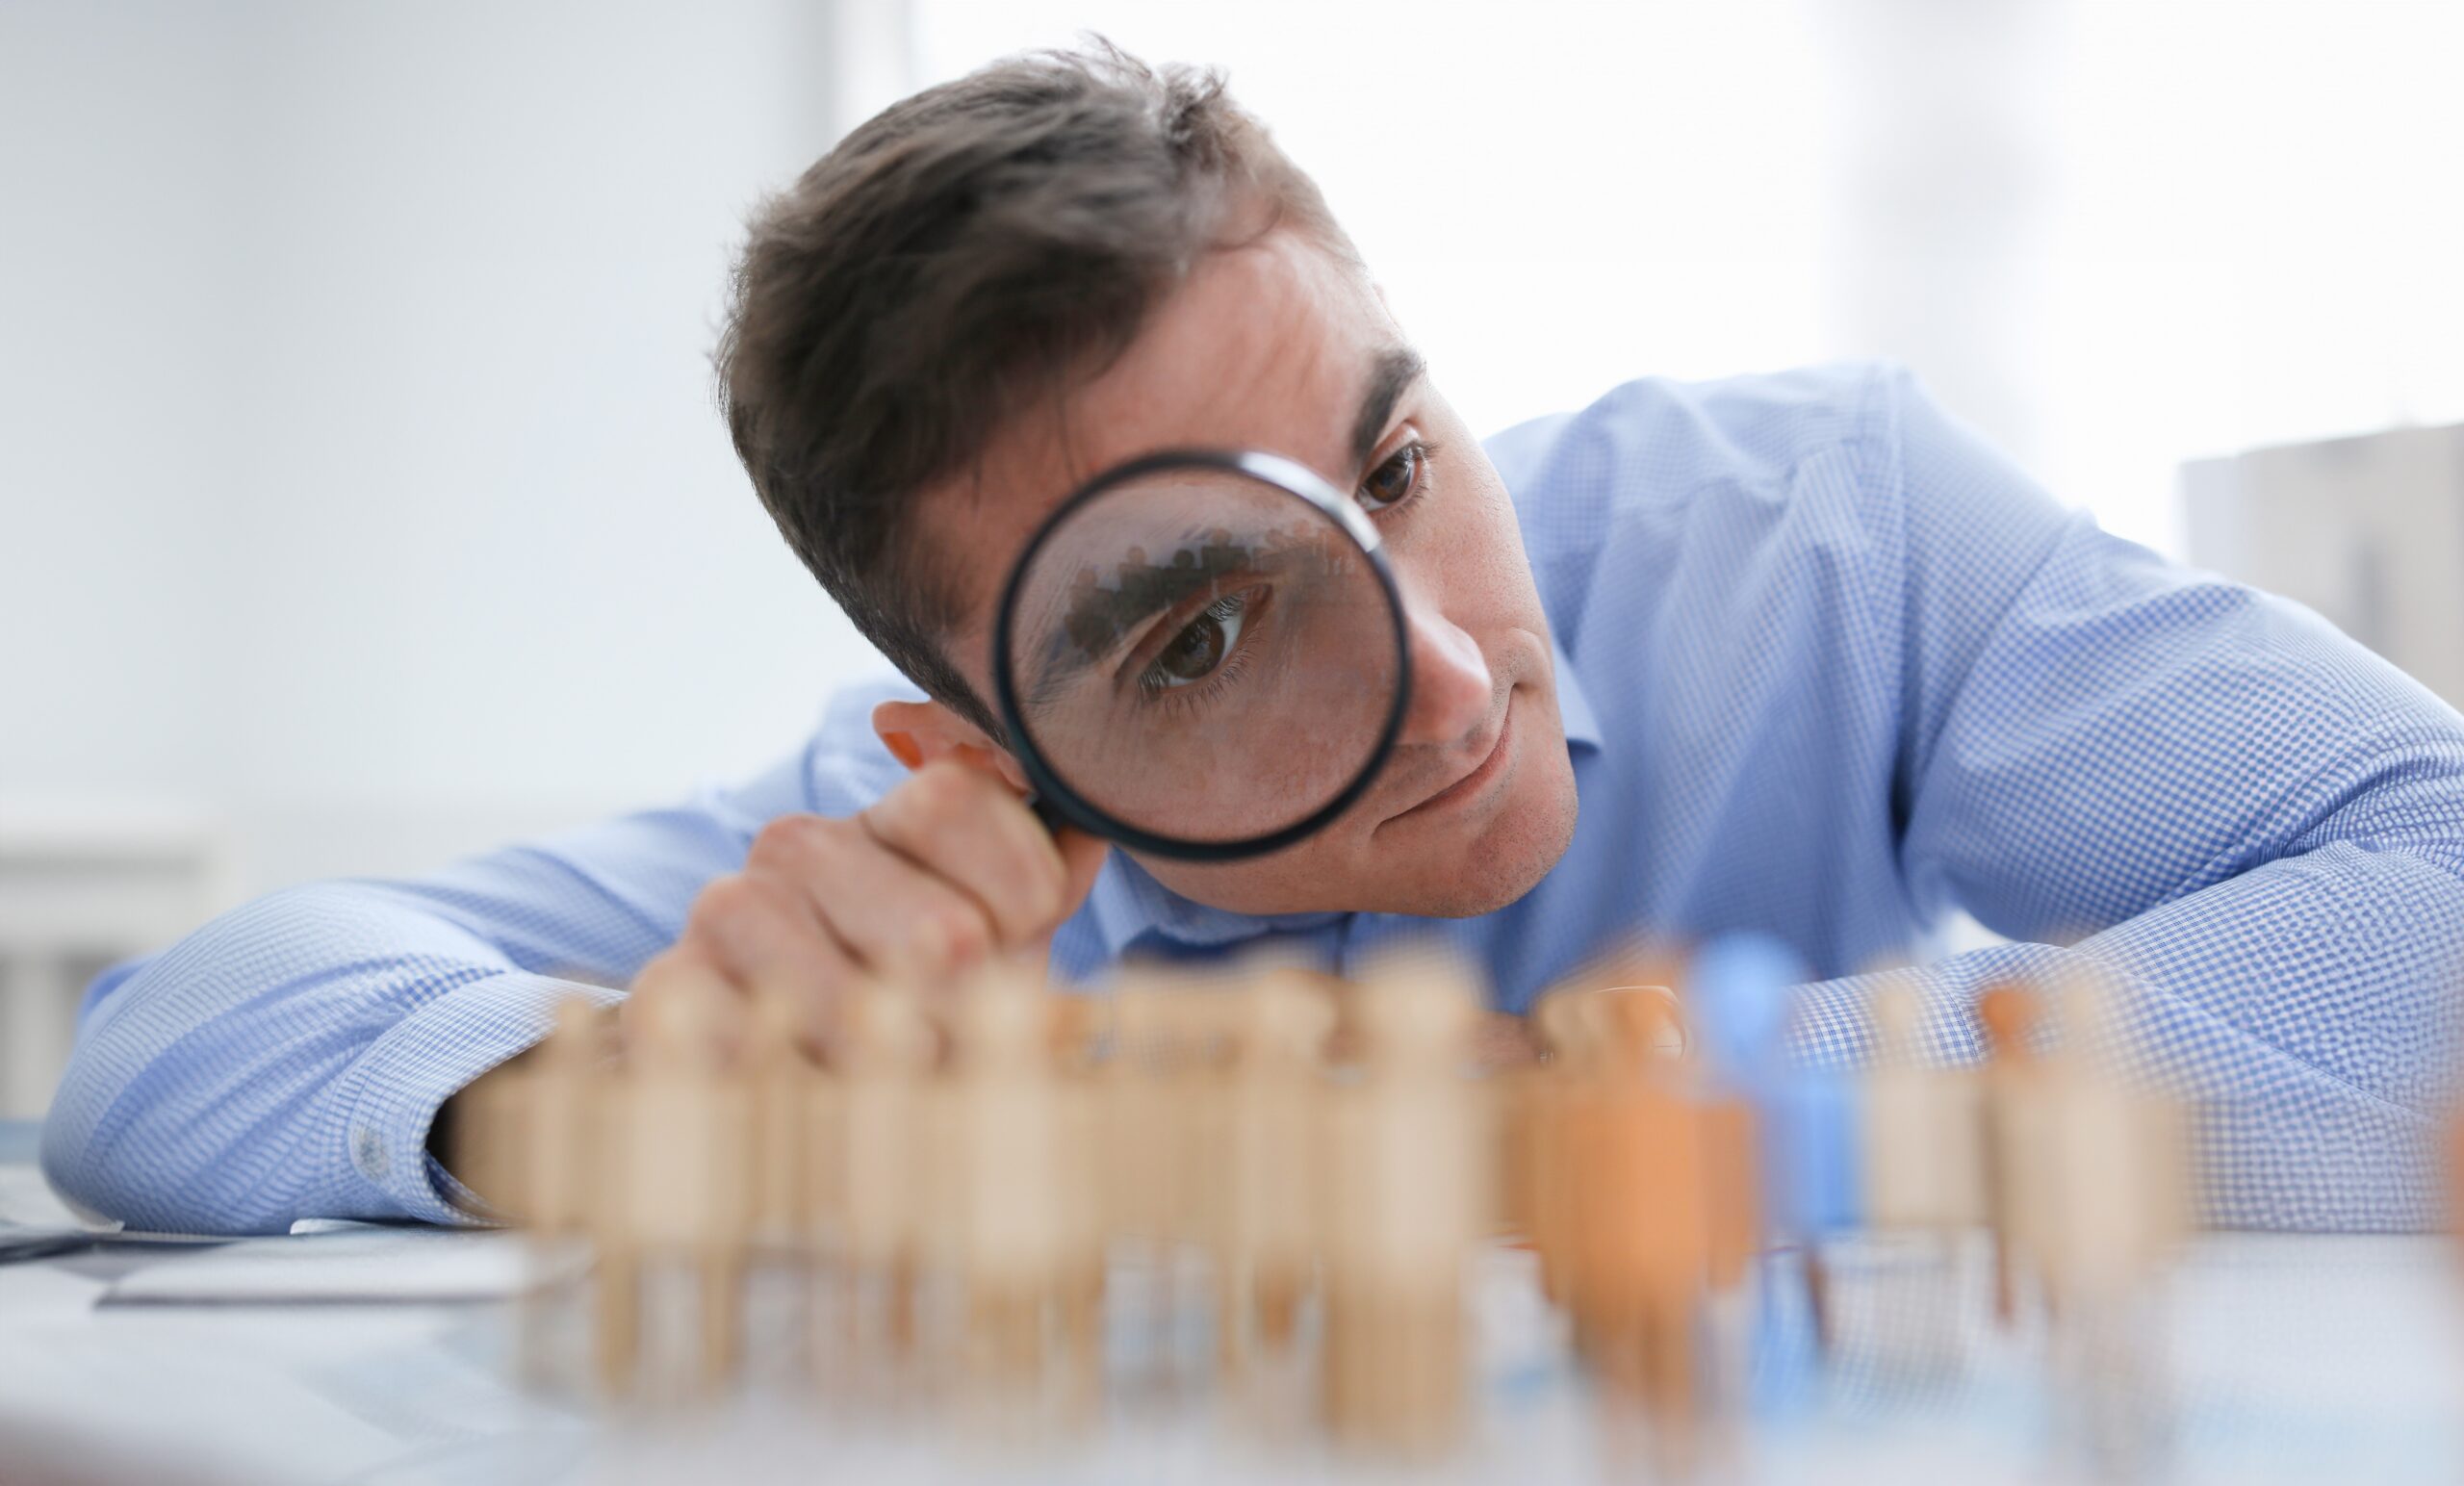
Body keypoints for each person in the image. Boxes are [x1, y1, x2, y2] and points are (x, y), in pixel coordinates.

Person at [42, 42, 2464, 1238]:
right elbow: (162, 1046)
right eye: (1196, 636)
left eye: (1395, 465)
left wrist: (1680, 1113)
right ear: (981, 749)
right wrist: (610, 1103)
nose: (1435, 676)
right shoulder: (914, 894)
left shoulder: (1814, 539)